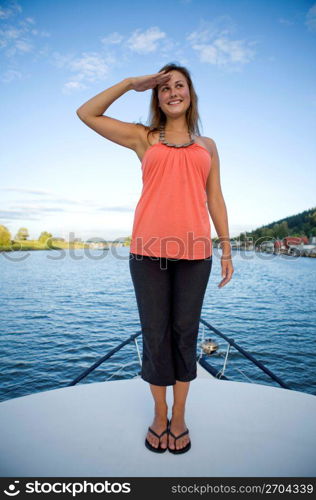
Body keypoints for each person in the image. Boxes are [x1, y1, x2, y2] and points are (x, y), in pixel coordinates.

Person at [76, 63, 234, 455]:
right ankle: (158, 414)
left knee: (185, 335)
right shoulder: (143, 138)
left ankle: (179, 417)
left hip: (196, 254)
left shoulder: (208, 145)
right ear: (157, 97)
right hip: (147, 254)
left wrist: (227, 247)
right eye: (164, 88)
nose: (172, 92)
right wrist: (131, 83)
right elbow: (86, 113)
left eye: (179, 85)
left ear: (190, 94)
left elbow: (214, 196)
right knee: (155, 336)